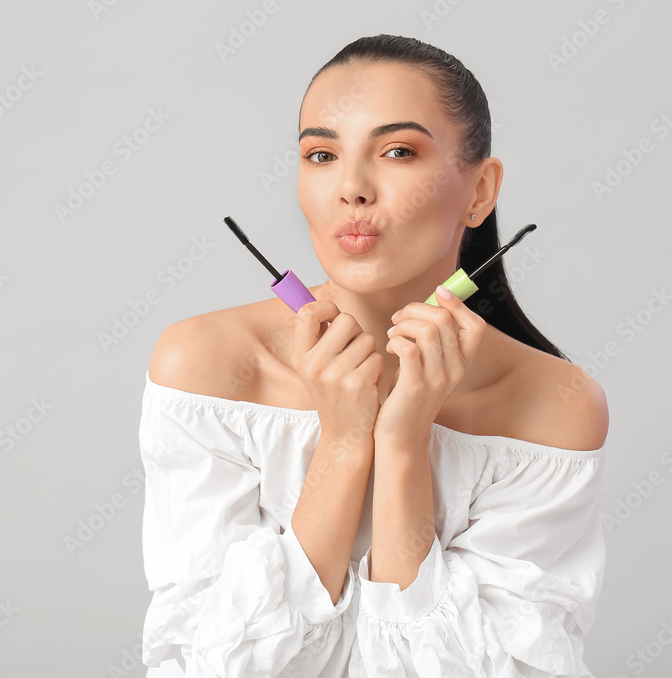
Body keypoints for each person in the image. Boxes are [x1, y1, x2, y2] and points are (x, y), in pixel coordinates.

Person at [138, 33, 609, 677]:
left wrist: (406, 444)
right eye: (322, 154)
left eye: (397, 151)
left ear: (480, 190)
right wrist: (341, 445)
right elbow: (209, 668)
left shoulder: (552, 406)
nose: (352, 188)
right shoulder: (206, 366)